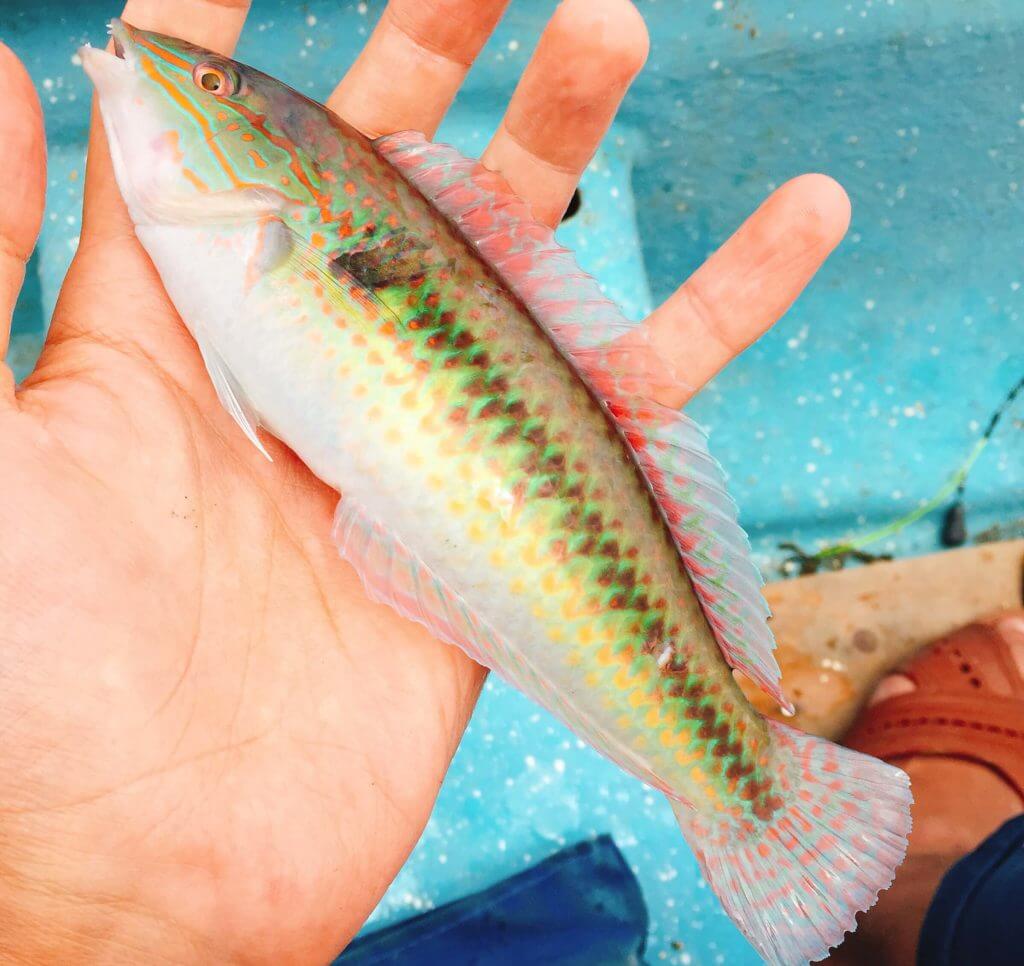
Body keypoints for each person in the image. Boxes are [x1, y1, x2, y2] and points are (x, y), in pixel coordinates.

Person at [0, 1, 1016, 962]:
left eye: (219, 92)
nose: (189, 84)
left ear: (291, 178)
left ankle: (747, 779)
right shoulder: (263, 220)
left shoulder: (284, 221)